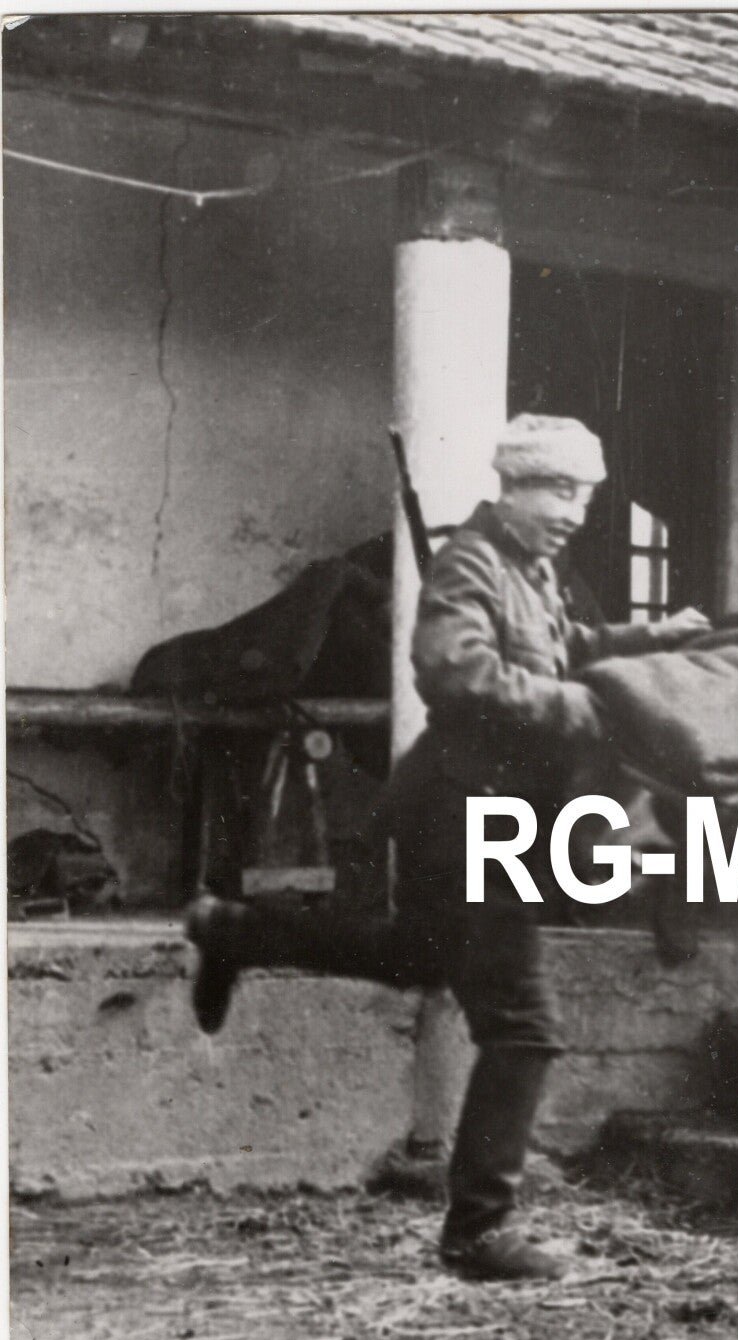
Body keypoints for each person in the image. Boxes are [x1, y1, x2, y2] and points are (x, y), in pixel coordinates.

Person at [184, 414, 709, 1282]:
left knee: (414, 955)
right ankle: (478, 1232)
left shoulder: (530, 567)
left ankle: (236, 930)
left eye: (584, 496)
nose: (573, 512)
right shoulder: (471, 561)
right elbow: (454, 669)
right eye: (557, 491)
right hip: (467, 812)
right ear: (512, 486)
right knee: (525, 1029)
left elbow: (561, 646)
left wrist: (649, 639)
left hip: (477, 812)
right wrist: (582, 708)